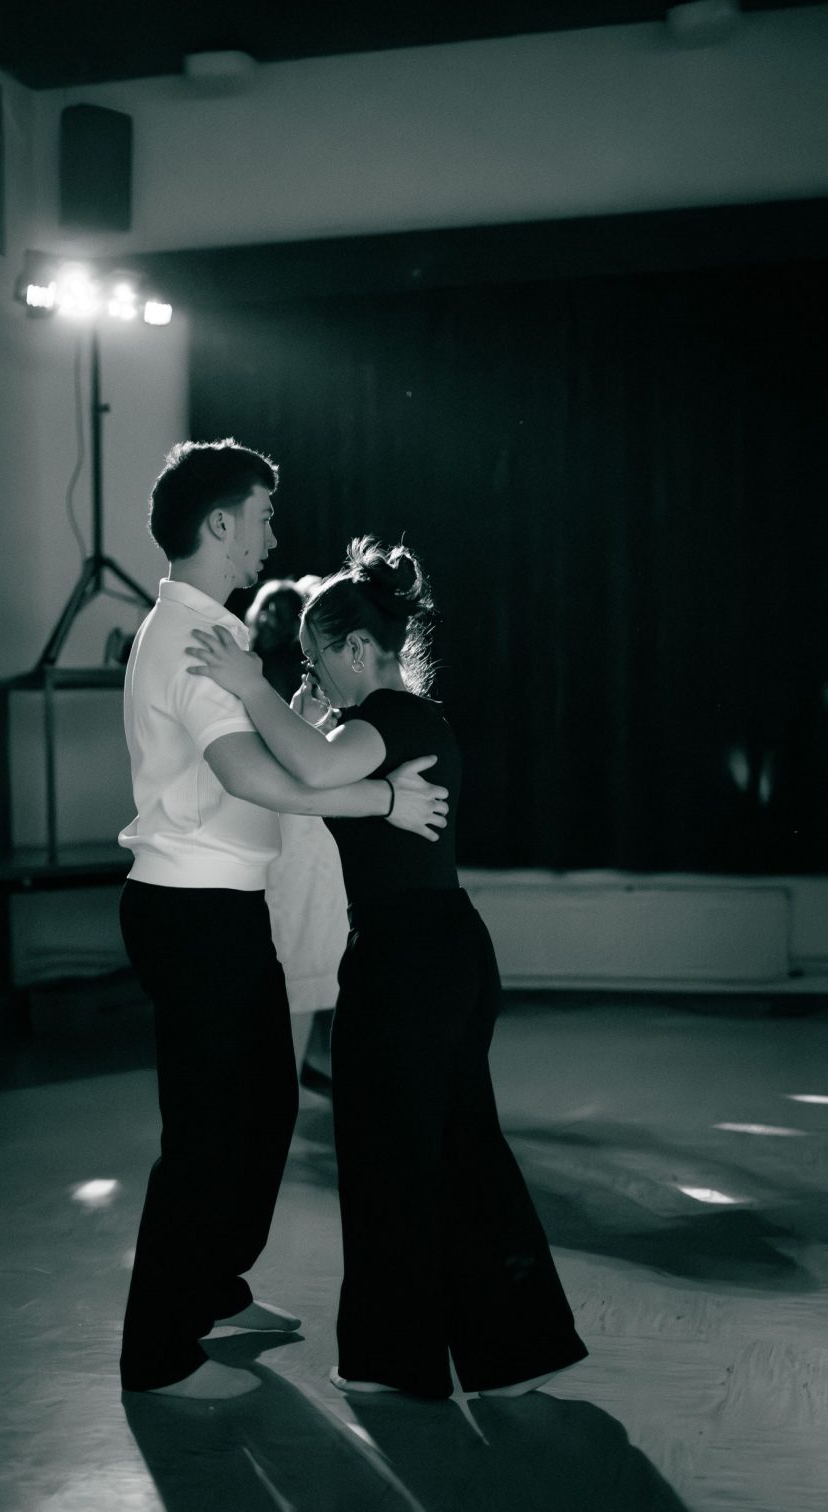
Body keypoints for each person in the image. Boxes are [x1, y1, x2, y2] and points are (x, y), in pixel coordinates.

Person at [186, 535, 589, 1400]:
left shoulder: (392, 718)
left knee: (391, 1158)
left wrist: (252, 686)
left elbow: (314, 767)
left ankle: (393, 1362)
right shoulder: (395, 724)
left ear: (358, 648)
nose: (313, 675)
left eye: (316, 658)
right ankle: (516, 1351)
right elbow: (309, 776)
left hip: (411, 962)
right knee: (453, 1148)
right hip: (432, 954)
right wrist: (299, 714)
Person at [117, 442, 450, 1402]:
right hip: (191, 911)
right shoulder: (192, 638)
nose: (270, 534)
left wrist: (282, 709)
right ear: (219, 523)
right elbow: (253, 777)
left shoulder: (211, 633)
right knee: (208, 1132)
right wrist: (385, 802)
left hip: (223, 907)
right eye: (261, 514)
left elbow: (256, 755)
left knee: (262, 1109)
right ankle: (158, 1355)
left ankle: (211, 1290)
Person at [245, 580, 349, 1077]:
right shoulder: (284, 679)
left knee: (301, 947)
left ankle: (301, 1068)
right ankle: (299, 1069)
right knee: (302, 949)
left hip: (294, 827)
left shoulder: (269, 677)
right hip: (296, 825)